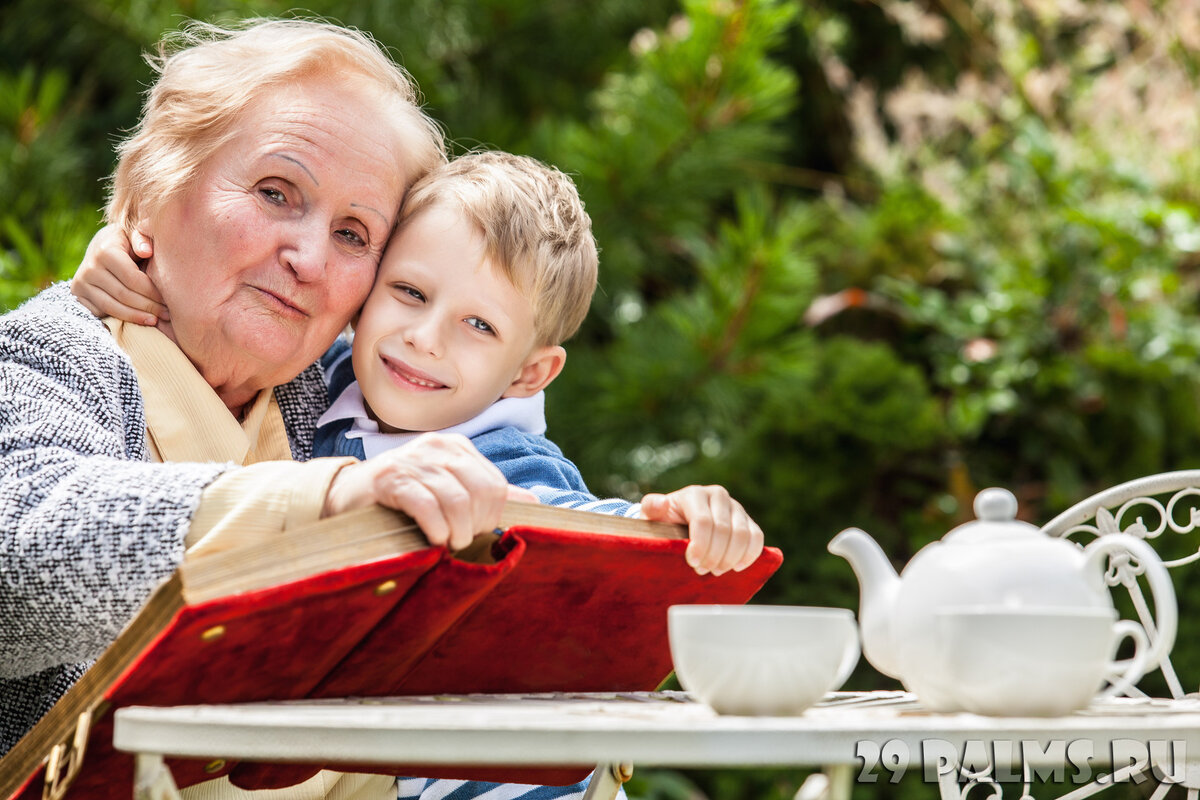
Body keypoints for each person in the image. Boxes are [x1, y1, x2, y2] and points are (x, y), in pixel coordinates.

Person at [1, 17, 530, 800]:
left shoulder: (346, 391)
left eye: (354, 234)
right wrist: (329, 502)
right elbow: (22, 558)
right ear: (151, 190)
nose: (310, 260)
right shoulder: (44, 357)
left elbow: (496, 384)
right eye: (276, 193)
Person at [77, 150, 766, 577]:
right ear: (364, 292)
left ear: (530, 374)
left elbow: (581, 539)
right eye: (408, 293)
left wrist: (682, 525)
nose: (424, 339)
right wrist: (130, 253)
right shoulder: (328, 381)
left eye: (478, 325)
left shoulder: (509, 464)